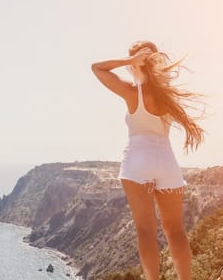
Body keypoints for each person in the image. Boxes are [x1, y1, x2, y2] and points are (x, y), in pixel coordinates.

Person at [91, 41, 205, 280]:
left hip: (137, 161)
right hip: (167, 162)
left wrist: (128, 61)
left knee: (146, 231)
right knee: (175, 231)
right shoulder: (167, 96)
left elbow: (97, 68)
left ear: (137, 63)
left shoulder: (133, 92)